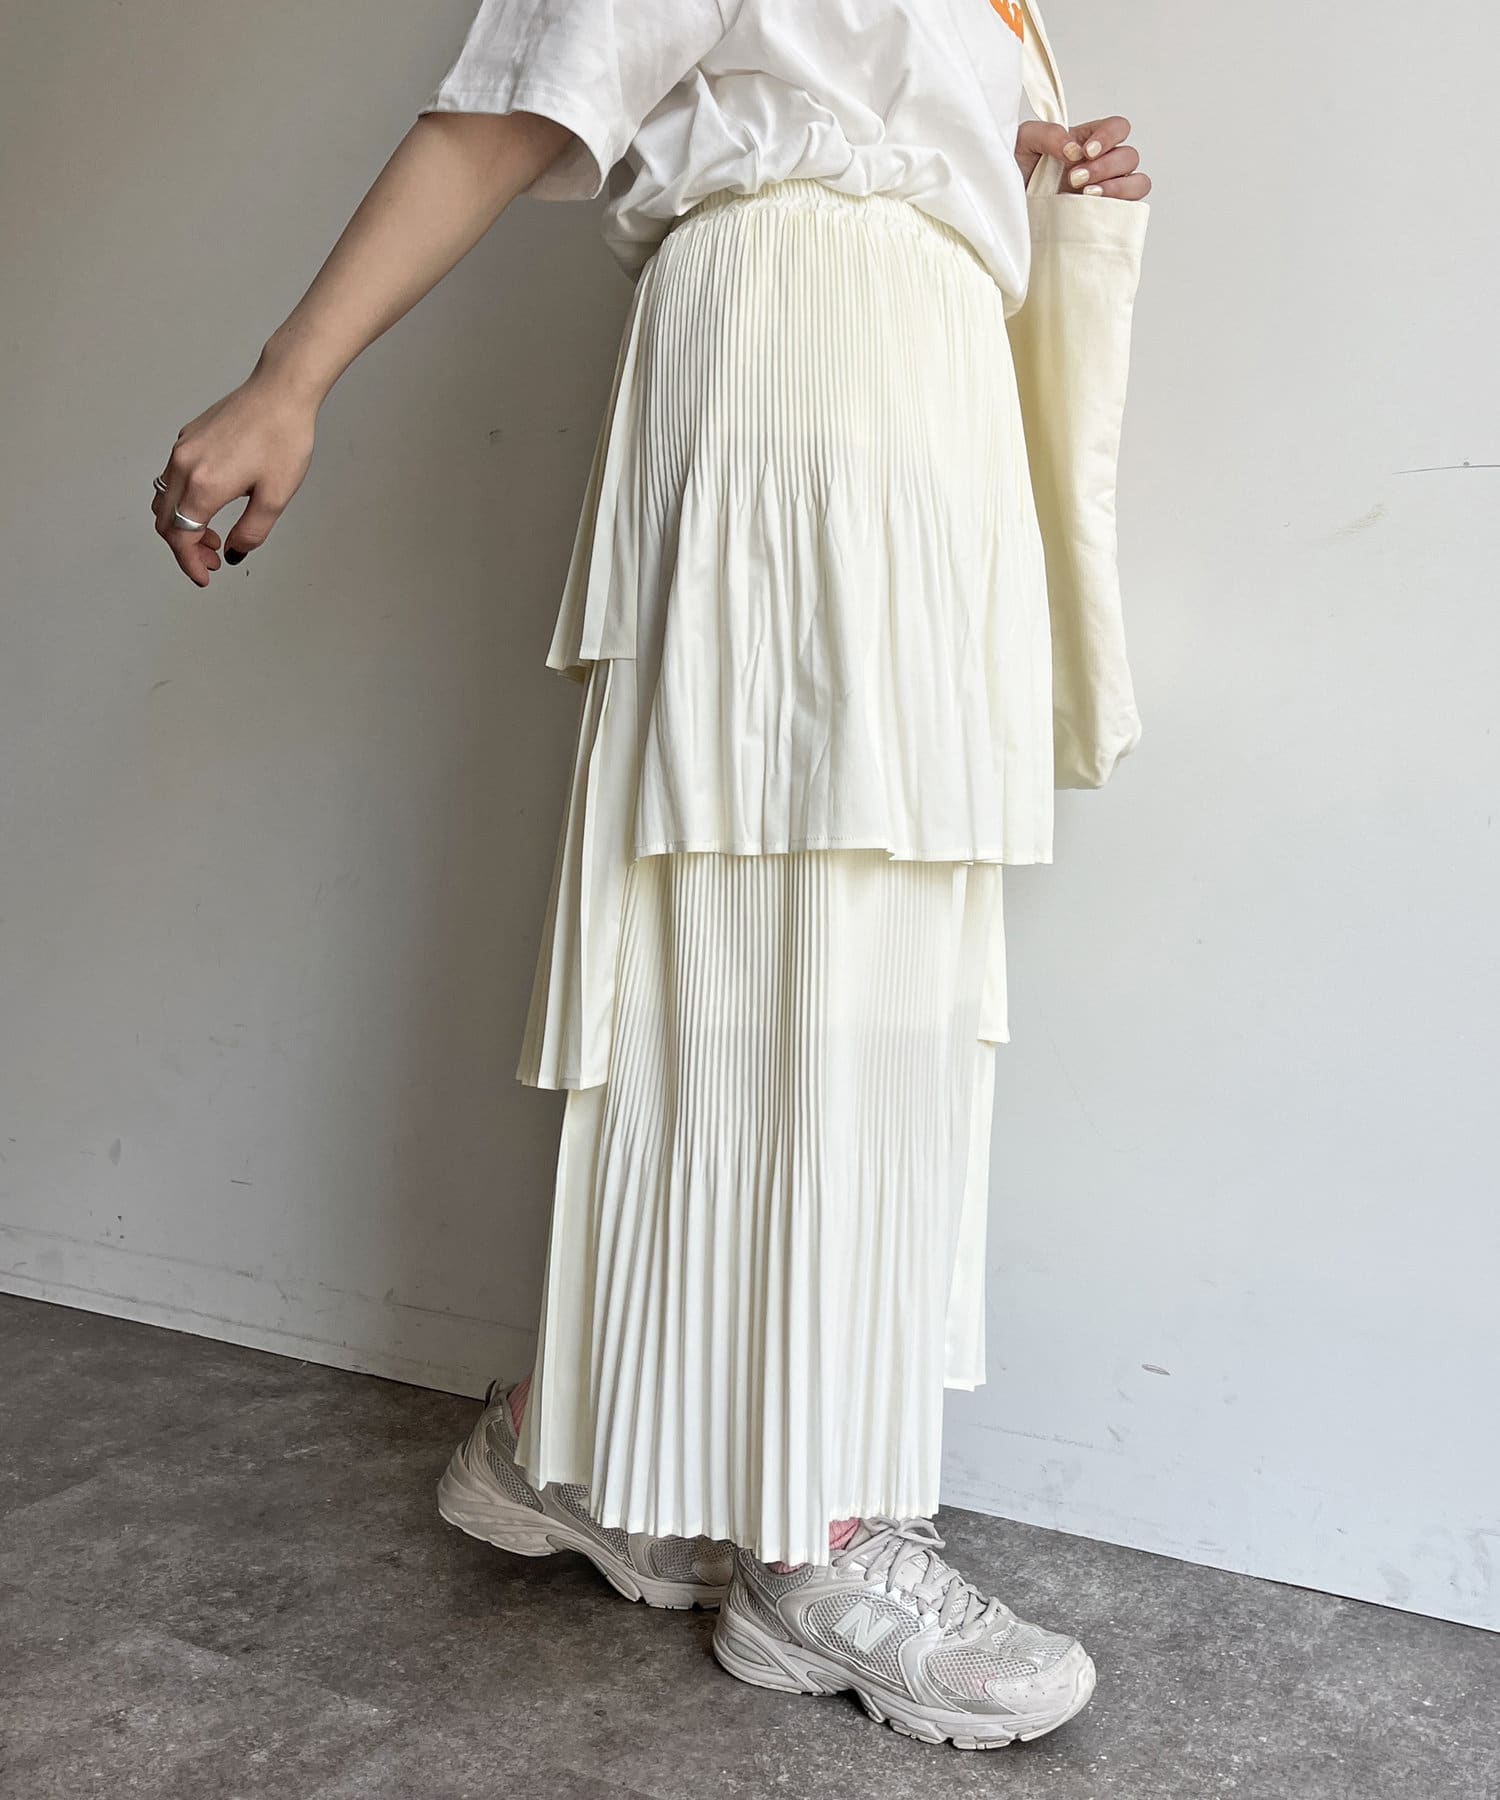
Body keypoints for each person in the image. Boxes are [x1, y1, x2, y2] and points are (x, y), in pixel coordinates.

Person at [150, 0, 1150, 1752]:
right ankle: (815, 1539)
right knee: (795, 926)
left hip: (930, 398)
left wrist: (1014, 167)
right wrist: (288, 377)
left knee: (873, 962)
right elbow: (529, 91)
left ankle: (582, 1440)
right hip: (800, 362)